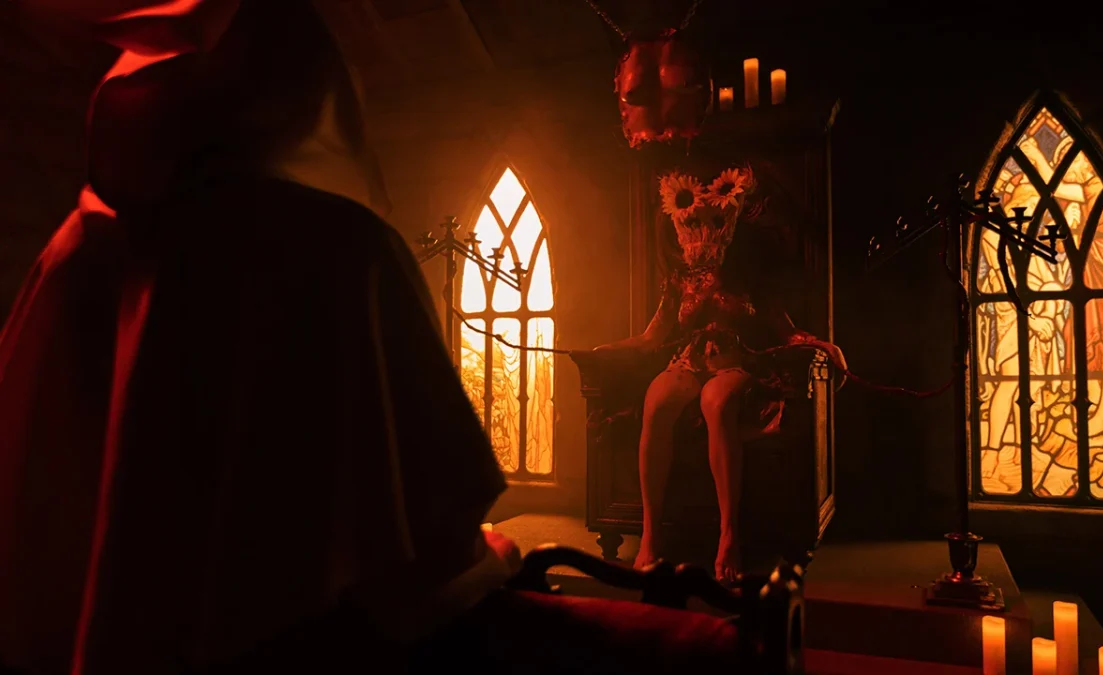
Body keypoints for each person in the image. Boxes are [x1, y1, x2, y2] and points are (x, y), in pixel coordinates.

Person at [0, 2, 511, 672]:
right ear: (312, 88)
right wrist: (488, 557)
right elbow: (427, 545)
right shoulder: (343, 251)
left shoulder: (75, 251)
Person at [576, 165, 846, 582]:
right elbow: (651, 337)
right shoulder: (679, 281)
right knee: (657, 401)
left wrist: (824, 346)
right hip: (687, 361)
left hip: (735, 362)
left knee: (716, 403)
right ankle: (650, 534)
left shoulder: (751, 280)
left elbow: (786, 331)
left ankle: (728, 533)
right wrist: (605, 350)